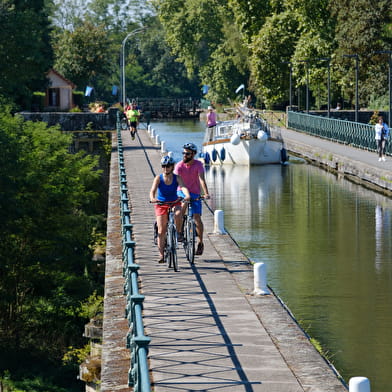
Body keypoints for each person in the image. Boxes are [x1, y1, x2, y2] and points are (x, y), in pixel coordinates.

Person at [150, 156, 190, 263]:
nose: (165, 168)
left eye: (167, 166)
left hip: (174, 202)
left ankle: (177, 232)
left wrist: (186, 195)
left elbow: (183, 187)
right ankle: (161, 255)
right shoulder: (158, 178)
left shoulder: (177, 178)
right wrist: (152, 198)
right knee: (161, 230)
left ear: (172, 167)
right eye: (163, 166)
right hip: (161, 204)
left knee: (178, 214)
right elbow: (152, 190)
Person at [174, 143, 210, 256]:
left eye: (187, 153)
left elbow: (202, 180)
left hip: (194, 193)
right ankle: (179, 232)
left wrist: (206, 193)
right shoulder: (179, 166)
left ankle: (200, 242)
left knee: (197, 218)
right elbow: (175, 181)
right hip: (181, 191)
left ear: (193, 154)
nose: (185, 155)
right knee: (182, 208)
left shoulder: (198, 164)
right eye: (183, 153)